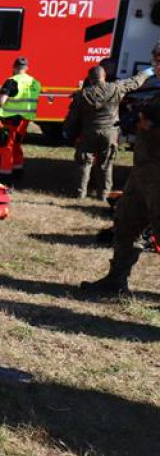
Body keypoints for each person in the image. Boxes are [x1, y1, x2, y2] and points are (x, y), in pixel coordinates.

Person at [81, 43, 160, 297]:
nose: (157, 64)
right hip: (143, 173)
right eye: (155, 58)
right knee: (126, 224)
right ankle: (115, 282)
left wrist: (150, 123)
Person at [65, 63, 153, 199]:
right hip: (110, 132)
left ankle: (79, 193)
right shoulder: (115, 88)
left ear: (89, 78)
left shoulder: (82, 95)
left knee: (84, 163)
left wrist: (69, 132)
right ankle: (104, 194)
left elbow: (73, 117)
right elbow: (135, 82)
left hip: (89, 132)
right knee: (105, 164)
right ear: (104, 76)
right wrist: (149, 71)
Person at [0, 57, 41, 184]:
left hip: (10, 119)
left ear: (14, 67)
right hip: (24, 121)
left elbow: (1, 101)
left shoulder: (11, 81)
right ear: (27, 68)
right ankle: (18, 172)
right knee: (17, 146)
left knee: (6, 147)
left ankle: (5, 178)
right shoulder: (35, 83)